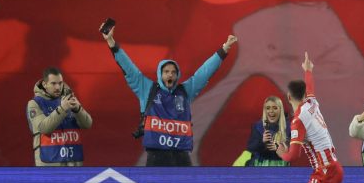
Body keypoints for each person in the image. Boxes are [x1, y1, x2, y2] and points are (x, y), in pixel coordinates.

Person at [101, 23, 237, 166]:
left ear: (177, 75)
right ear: (160, 74)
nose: (170, 75)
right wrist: (111, 42)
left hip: (182, 157)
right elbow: (128, 68)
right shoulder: (147, 89)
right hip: (156, 157)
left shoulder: (185, 91)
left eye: (173, 72)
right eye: (166, 72)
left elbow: (204, 72)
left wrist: (224, 49)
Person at [276, 52, 364, 183]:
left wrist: (283, 154)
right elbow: (310, 88)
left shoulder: (298, 120)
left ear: (288, 97)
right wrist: (308, 70)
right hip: (332, 168)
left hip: (325, 171)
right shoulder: (311, 103)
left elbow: (294, 155)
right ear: (304, 95)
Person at [26, 67, 93, 166]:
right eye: (53, 83)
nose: (58, 87)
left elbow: (88, 124)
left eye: (60, 83)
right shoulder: (34, 103)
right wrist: (62, 109)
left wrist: (78, 109)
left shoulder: (68, 99)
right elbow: (44, 128)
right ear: (45, 84)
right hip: (49, 166)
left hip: (74, 164)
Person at [234, 96, 291, 166]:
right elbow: (251, 148)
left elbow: (292, 150)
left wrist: (278, 148)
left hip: (280, 166)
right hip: (259, 166)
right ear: (265, 110)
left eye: (275, 108)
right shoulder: (258, 126)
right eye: (268, 108)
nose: (271, 111)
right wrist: (262, 142)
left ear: (280, 110)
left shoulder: (289, 127)